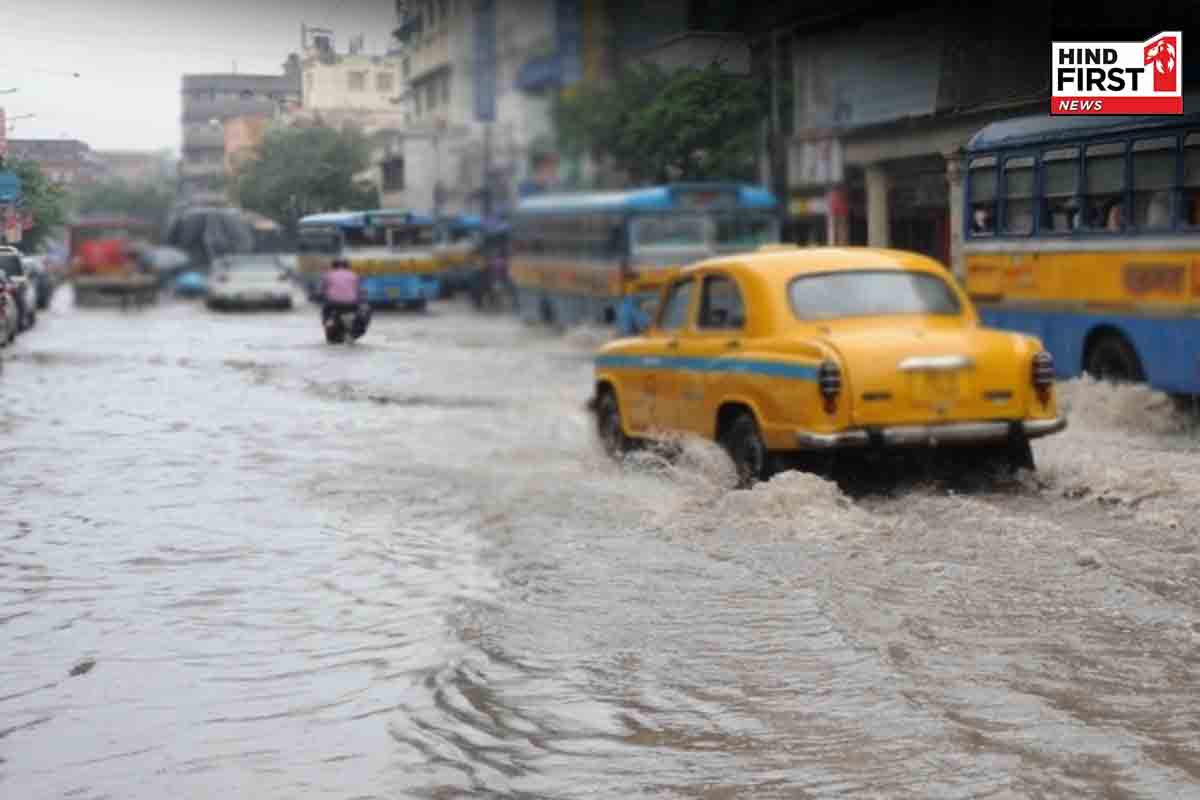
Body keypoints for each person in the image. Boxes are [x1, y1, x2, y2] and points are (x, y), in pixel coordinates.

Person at [320, 258, 370, 335]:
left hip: (333, 303)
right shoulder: (354, 275)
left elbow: (323, 290)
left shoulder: (328, 275)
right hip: (352, 303)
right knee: (363, 310)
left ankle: (327, 323)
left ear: (332, 266)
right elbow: (360, 290)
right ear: (348, 266)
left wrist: (321, 295)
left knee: (325, 311)